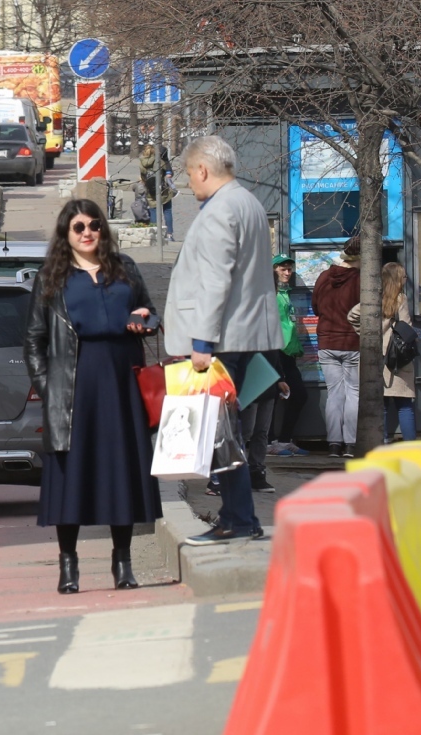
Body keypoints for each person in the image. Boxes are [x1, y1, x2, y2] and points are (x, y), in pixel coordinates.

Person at [24, 199, 161, 593]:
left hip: (122, 382)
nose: (88, 233)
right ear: (66, 235)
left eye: (94, 225)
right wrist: (49, 388)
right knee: (73, 477)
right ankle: (69, 565)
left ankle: (123, 563)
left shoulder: (126, 268)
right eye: (78, 227)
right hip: (73, 387)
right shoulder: (52, 277)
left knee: (122, 471)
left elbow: (149, 312)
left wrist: (144, 321)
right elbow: (33, 340)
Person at [163, 134, 278, 544]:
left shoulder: (218, 212)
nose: (187, 183)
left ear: (203, 169)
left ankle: (238, 518)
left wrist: (202, 343)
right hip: (242, 335)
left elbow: (214, 282)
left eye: (188, 173)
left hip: (221, 340)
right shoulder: (247, 203)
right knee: (225, 432)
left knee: (220, 434)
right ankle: (238, 515)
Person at [312, 236, 362, 457]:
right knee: (353, 392)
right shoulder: (361, 280)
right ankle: (350, 444)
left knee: (334, 394)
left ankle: (333, 443)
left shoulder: (323, 277)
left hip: (326, 342)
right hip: (352, 342)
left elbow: (316, 307)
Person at [267, 254, 310, 457]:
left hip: (289, 353)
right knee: (272, 396)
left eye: (289, 269)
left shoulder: (286, 293)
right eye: (282, 269)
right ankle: (269, 442)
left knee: (299, 394)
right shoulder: (272, 294)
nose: (287, 273)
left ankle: (284, 439)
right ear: (274, 270)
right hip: (276, 351)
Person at [377, 261, 417, 442]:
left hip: (379, 355)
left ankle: (383, 442)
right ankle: (410, 447)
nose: (405, 279)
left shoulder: (373, 297)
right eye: (403, 276)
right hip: (397, 357)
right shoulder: (401, 298)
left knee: (382, 406)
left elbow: (353, 315)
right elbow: (407, 327)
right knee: (404, 405)